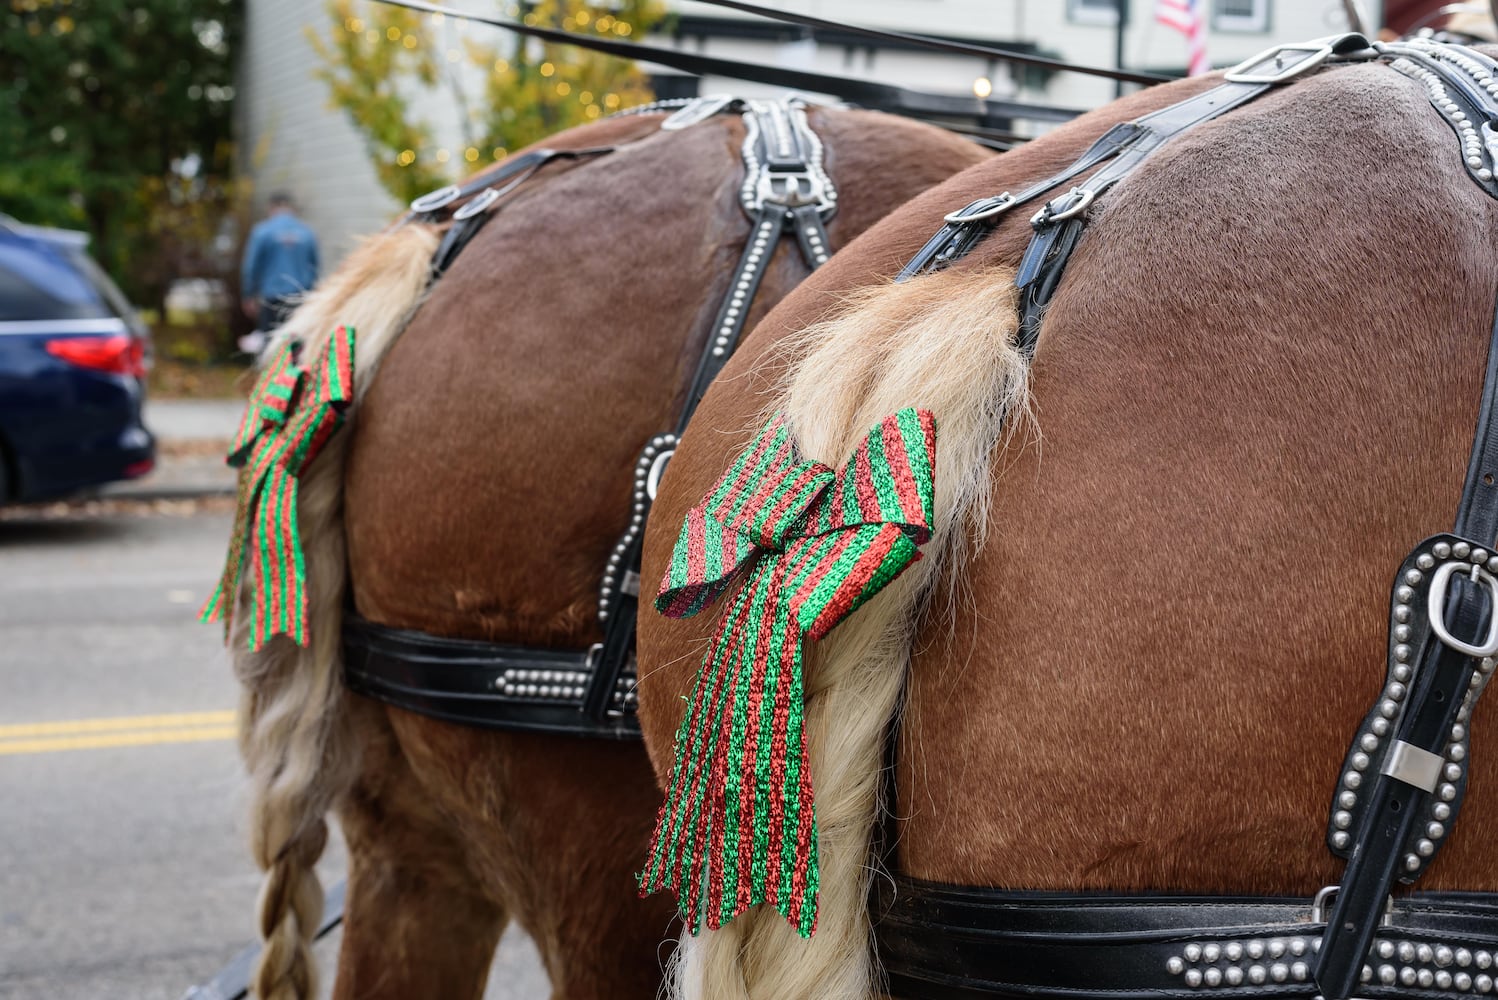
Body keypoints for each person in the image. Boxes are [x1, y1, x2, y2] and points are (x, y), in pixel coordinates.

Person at [241, 192, 319, 333]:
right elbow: (314, 267)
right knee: (297, 342)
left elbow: (251, 267)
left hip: (272, 299)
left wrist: (249, 295)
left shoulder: (263, 231)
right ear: (290, 207)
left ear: (272, 207)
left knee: (271, 343)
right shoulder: (306, 232)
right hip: (300, 299)